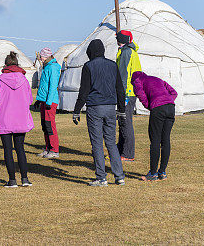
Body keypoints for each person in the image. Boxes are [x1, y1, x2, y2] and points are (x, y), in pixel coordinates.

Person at [72, 39, 126, 186]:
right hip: (110, 107)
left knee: (96, 143)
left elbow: (84, 91)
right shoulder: (112, 65)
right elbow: (120, 89)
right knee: (111, 143)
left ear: (90, 52)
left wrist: (76, 110)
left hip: (95, 107)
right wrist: (121, 110)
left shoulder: (88, 66)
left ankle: (101, 177)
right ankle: (119, 176)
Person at [0, 52, 34, 188]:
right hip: (20, 119)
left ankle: (12, 180)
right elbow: (30, 100)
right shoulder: (24, 80)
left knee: (7, 150)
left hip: (4, 119)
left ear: (6, 64)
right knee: (20, 148)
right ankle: (25, 179)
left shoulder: (0, 80)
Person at [131, 71, 177, 181]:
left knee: (155, 140)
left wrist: (150, 106)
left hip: (158, 108)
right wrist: (168, 101)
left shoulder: (137, 81)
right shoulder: (157, 79)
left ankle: (153, 173)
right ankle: (162, 172)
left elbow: (141, 95)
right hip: (171, 107)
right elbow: (174, 92)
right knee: (165, 140)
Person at [116, 30, 141, 162]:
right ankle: (120, 150)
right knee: (122, 121)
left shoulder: (126, 52)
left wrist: (123, 94)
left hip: (127, 93)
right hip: (130, 92)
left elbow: (123, 75)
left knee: (126, 122)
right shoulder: (128, 51)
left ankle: (128, 153)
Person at [34, 47, 61, 158]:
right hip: (44, 100)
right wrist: (39, 100)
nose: (40, 58)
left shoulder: (53, 68)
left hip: (50, 101)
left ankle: (54, 150)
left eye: (41, 56)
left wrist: (49, 102)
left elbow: (53, 86)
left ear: (46, 56)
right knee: (45, 125)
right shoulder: (46, 67)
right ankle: (48, 148)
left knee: (50, 125)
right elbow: (44, 86)